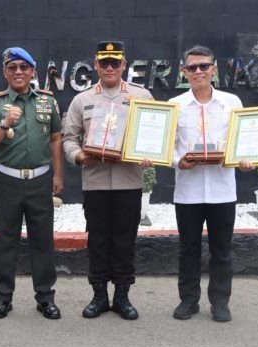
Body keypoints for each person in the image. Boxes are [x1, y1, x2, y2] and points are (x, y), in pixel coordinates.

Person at [62, 41, 153, 320]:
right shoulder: (83, 100)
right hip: (96, 182)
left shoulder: (141, 96)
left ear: (124, 64)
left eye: (115, 62)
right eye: (105, 63)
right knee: (98, 240)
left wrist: (149, 153)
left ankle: (122, 297)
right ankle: (99, 296)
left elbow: (152, 134)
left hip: (129, 181)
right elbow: (69, 139)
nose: (110, 67)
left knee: (125, 240)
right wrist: (78, 157)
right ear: (96, 65)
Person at [169, 45, 254, 322]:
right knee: (188, 249)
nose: (198, 72)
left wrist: (246, 158)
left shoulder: (232, 103)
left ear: (214, 69)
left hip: (222, 190)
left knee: (222, 250)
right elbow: (166, 147)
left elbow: (244, 142)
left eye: (204, 66)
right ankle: (188, 301)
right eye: (192, 67)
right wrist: (177, 161)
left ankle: (220, 302)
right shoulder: (175, 106)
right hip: (188, 191)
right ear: (184, 72)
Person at [0, 47, 63, 320]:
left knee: (43, 242)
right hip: (8, 181)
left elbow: (55, 139)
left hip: (40, 180)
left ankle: (45, 298)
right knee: (7, 241)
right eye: (12, 68)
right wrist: (5, 123)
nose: (18, 72)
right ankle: (3, 298)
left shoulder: (47, 101)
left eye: (23, 68)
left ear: (32, 71)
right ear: (5, 72)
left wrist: (59, 176)